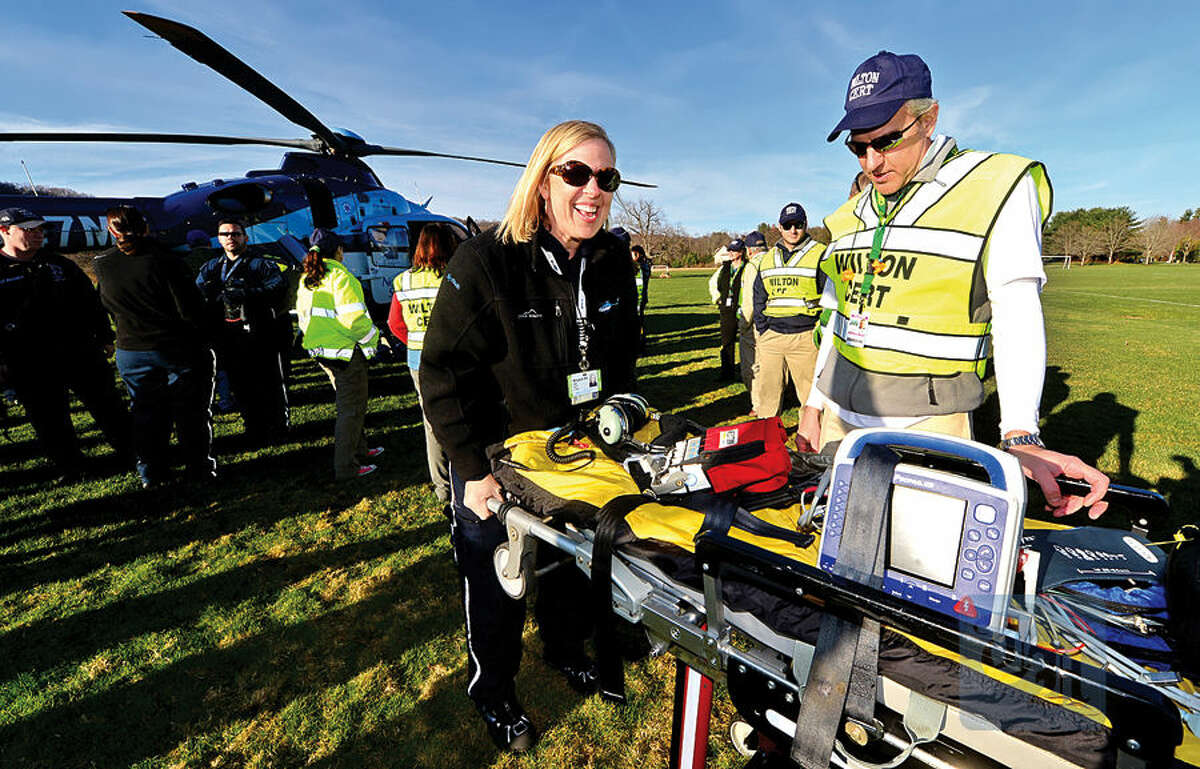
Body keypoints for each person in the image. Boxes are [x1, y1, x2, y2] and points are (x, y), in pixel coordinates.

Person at [797, 50, 1109, 518]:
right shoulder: (850, 213)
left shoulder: (993, 184)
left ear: (929, 118)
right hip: (841, 420)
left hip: (928, 426)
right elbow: (840, 315)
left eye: (887, 140)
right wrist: (813, 404)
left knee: (919, 573)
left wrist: (1021, 433)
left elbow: (1017, 308)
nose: (872, 162)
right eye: (858, 148)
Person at [419, 120, 639, 752]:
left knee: (573, 564)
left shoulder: (611, 261)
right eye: (576, 174)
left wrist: (620, 423)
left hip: (578, 456)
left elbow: (625, 356)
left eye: (606, 178)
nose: (592, 190)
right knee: (497, 579)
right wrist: (473, 468)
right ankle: (494, 691)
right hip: (495, 456)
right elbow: (442, 371)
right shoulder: (490, 259)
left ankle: (565, 647)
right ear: (544, 181)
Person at [0, 207, 132, 477]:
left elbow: (91, 301)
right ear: (4, 231)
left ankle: (135, 454)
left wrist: (105, 337)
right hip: (29, 361)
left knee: (109, 406)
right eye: (28, 230)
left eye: (40, 230)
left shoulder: (59, 264)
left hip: (80, 352)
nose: (37, 236)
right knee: (49, 418)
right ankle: (70, 467)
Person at [93, 205, 215, 488]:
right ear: (146, 227)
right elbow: (189, 309)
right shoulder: (166, 259)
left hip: (132, 348)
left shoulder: (103, 263)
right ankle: (198, 469)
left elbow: (106, 303)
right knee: (191, 413)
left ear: (111, 231)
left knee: (146, 414)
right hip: (177, 346)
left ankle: (152, 473)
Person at [295, 228, 383, 481]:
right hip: (346, 353)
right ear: (339, 251)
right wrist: (373, 341)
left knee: (350, 404)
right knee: (351, 410)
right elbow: (355, 320)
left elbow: (304, 318)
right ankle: (346, 467)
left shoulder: (307, 278)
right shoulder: (341, 277)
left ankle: (361, 449)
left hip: (323, 352)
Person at [195, 217, 289, 446]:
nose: (230, 238)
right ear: (218, 239)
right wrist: (211, 295)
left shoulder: (261, 264)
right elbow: (195, 294)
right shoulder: (211, 267)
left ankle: (278, 427)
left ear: (245, 237)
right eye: (225, 234)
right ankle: (253, 428)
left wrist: (248, 292)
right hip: (227, 336)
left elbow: (279, 287)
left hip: (262, 333)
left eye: (235, 234)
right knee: (240, 385)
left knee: (271, 383)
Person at [387, 222, 453, 504]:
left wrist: (415, 340)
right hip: (452, 357)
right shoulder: (452, 279)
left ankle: (442, 486)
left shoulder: (403, 281)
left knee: (431, 423)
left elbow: (394, 324)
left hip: (418, 359)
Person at [750, 203, 825, 418]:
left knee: (811, 400)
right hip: (772, 337)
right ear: (779, 228)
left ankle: (811, 448)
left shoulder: (820, 253)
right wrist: (764, 329)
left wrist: (817, 332)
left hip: (805, 337)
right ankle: (766, 444)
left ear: (806, 225)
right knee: (767, 399)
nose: (793, 230)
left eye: (798, 225)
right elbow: (759, 297)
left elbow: (831, 297)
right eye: (788, 225)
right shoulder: (767, 257)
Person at [708, 238, 746, 382]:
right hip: (727, 310)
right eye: (729, 250)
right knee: (727, 342)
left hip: (743, 310)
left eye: (734, 250)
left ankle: (747, 372)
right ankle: (727, 373)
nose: (730, 252)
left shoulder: (748, 267)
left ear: (742, 252)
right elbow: (713, 283)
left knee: (746, 343)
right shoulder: (724, 268)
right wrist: (718, 299)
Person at [739, 231, 768, 400]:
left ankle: (758, 403)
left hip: (756, 322)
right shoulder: (774, 261)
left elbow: (749, 299)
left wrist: (744, 324)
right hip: (775, 320)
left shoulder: (752, 266)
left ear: (749, 250)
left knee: (753, 364)